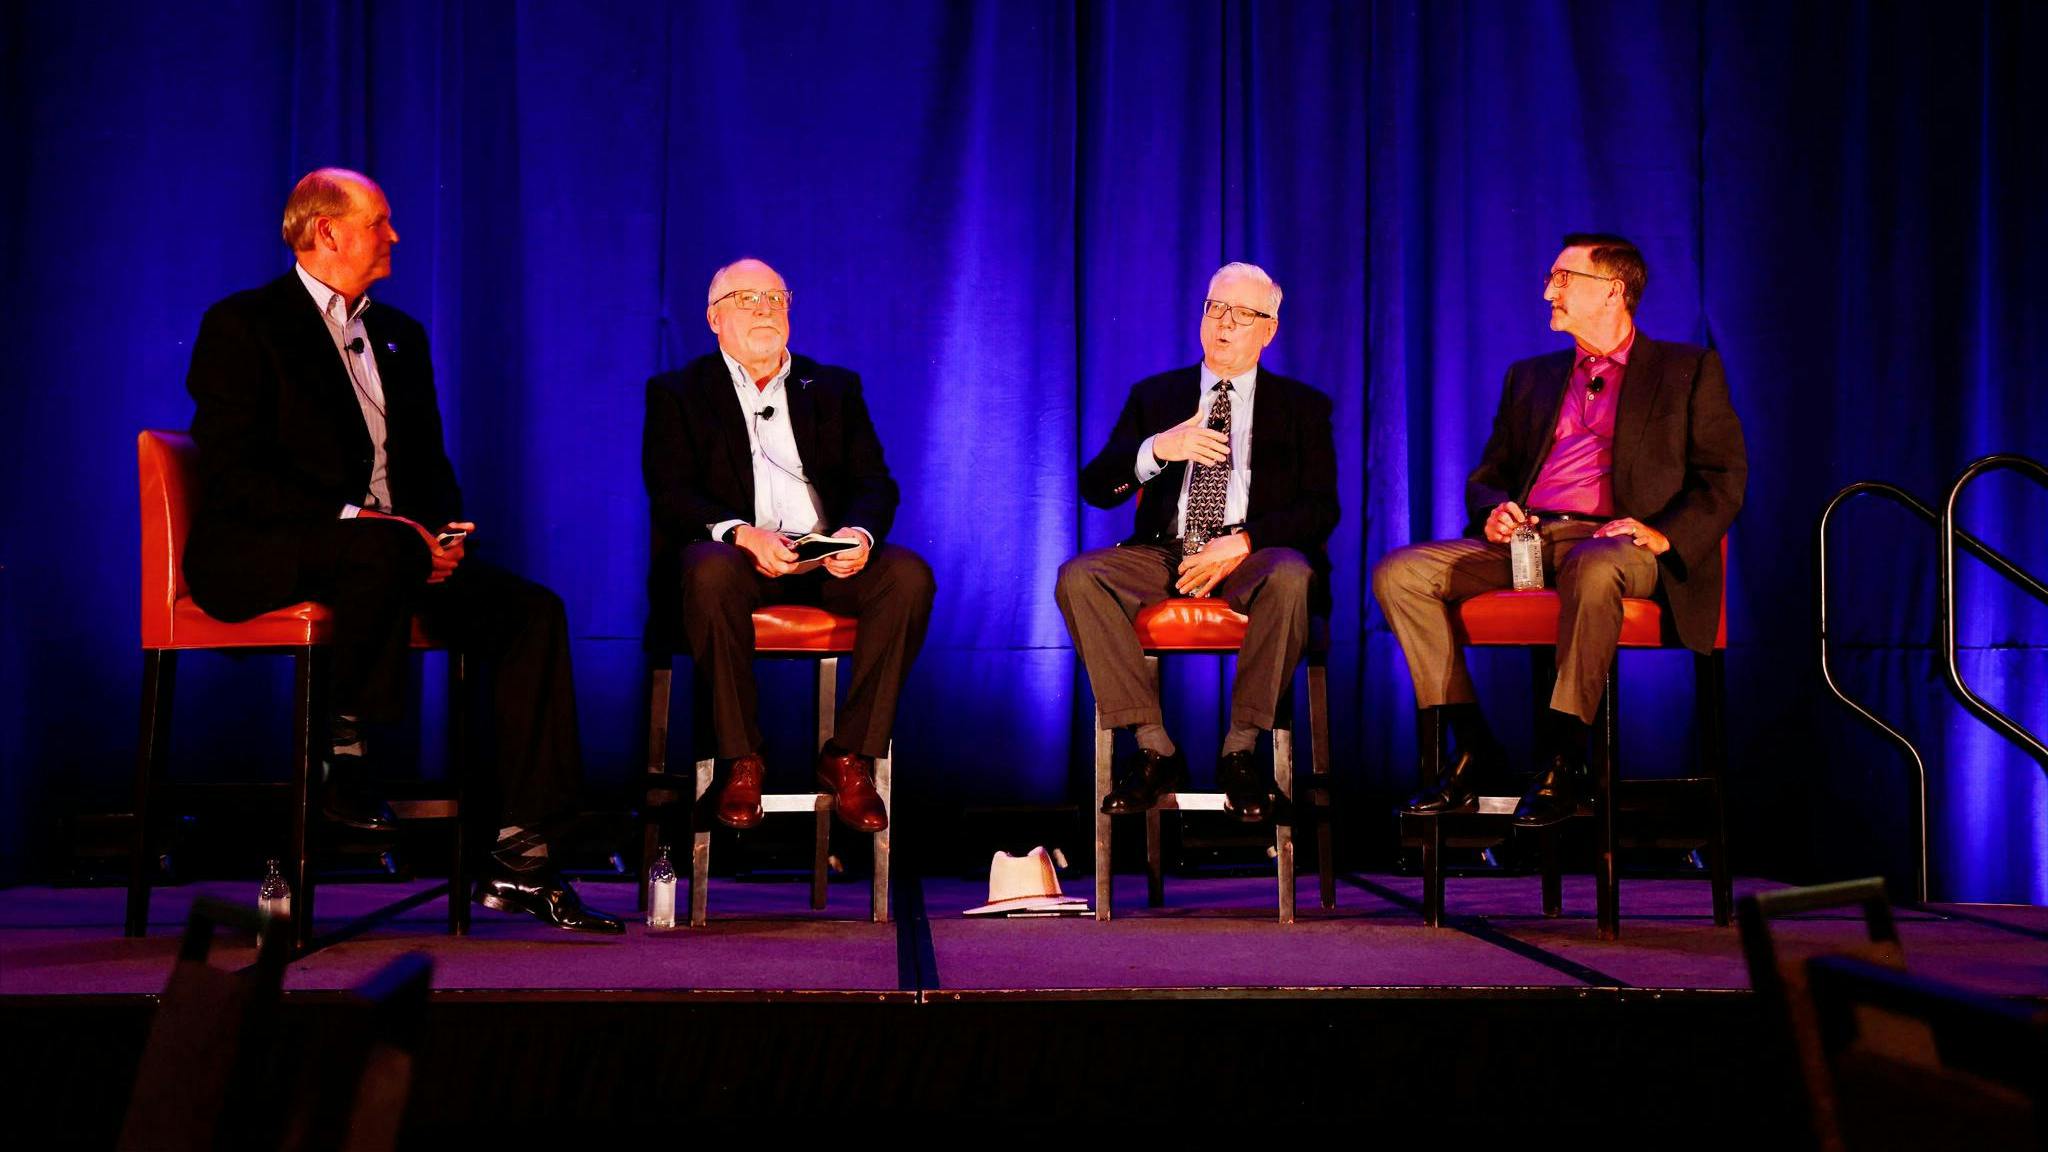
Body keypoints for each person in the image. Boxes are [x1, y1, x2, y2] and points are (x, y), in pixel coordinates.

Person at [184, 167, 621, 933]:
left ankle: (525, 848)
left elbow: (426, 468)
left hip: (390, 557)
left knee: (530, 613)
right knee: (380, 553)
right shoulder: (244, 325)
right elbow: (234, 476)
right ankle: (341, 757)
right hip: (262, 550)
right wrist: (374, 525)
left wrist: (441, 534)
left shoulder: (400, 335)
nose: (395, 235)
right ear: (327, 231)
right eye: (380, 221)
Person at [1373, 233, 1746, 825]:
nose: (1549, 291)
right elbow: (1490, 474)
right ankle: (1472, 748)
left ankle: (1565, 760)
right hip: (1532, 540)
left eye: (1564, 279)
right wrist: (1494, 508)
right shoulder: (1532, 376)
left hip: (1621, 544)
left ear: (1613, 292)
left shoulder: (1686, 369)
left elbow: (1723, 476)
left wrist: (1665, 534)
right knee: (1402, 574)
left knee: (1593, 567)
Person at [643, 259, 934, 833]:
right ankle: (741, 757)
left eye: (776, 299)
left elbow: (875, 482)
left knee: (907, 576)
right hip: (738, 557)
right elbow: (672, 493)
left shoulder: (832, 387)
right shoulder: (678, 392)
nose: (764, 309)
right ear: (713, 319)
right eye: (747, 298)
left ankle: (850, 754)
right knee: (707, 572)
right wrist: (742, 534)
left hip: (821, 557)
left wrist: (858, 535)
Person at [1056, 262, 1338, 822]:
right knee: (1079, 576)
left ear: (1269, 329)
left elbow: (1320, 509)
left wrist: (1245, 540)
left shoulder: (1303, 407)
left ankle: (1241, 752)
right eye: (1215, 308)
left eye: (1241, 314)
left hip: (1252, 555)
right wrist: (1159, 448)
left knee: (1290, 575)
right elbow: (1096, 486)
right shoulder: (1157, 396)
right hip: (1165, 551)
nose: (1224, 323)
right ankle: (1154, 748)